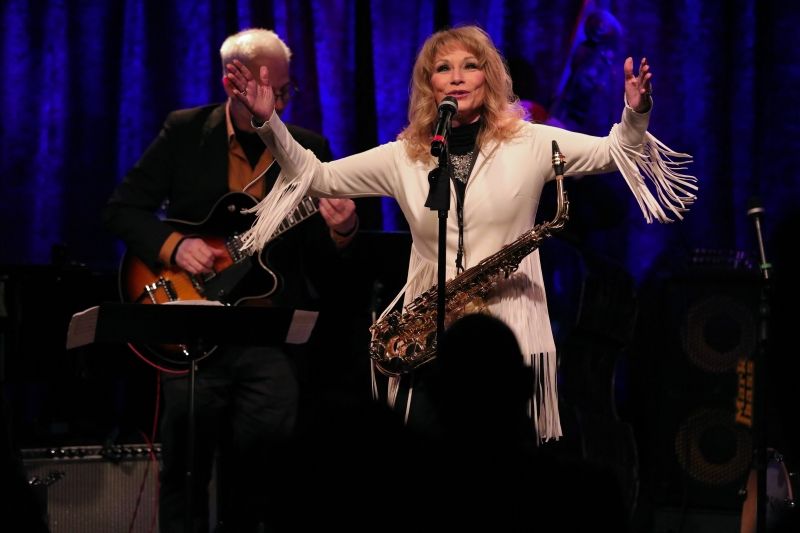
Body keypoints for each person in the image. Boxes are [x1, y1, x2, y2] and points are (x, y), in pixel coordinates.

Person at [225, 24, 696, 444]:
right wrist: (270, 124)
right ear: (429, 85)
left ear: (488, 77)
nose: (456, 76)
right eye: (443, 68)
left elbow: (616, 152)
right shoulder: (404, 155)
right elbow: (318, 178)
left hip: (510, 322)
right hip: (428, 333)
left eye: (470, 66)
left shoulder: (530, 142)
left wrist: (636, 113)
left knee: (504, 471)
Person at [103, 28, 358, 532]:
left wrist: (343, 230)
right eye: (265, 92)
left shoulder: (308, 148)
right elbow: (121, 210)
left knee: (264, 474)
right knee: (185, 472)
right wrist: (175, 246)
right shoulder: (184, 131)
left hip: (267, 338)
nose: (275, 103)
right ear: (230, 83)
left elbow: (320, 267)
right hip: (190, 332)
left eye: (284, 92)